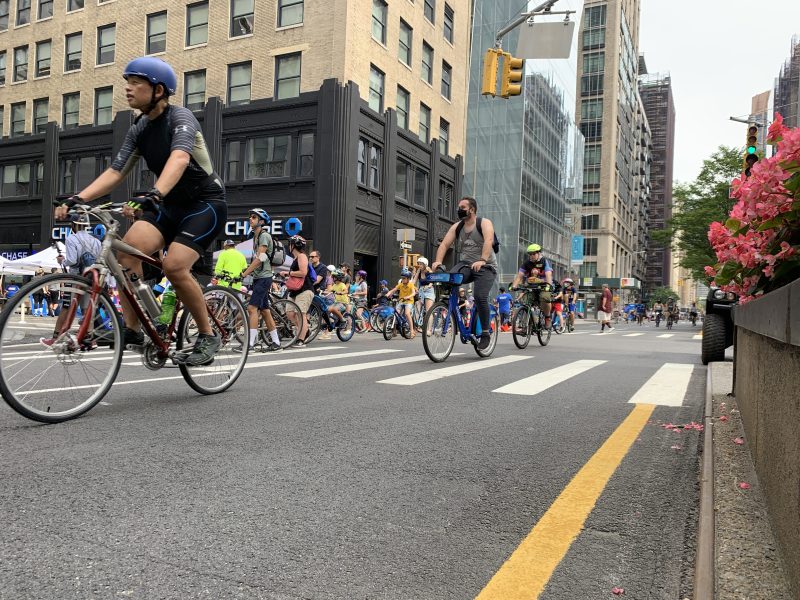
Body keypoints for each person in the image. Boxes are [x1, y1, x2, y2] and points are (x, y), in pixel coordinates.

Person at [53, 57, 226, 366]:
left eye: (136, 83)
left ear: (158, 90)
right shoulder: (140, 127)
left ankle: (207, 334)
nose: (128, 89)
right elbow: (116, 172)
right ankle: (133, 329)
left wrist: (155, 192)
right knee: (125, 254)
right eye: (127, 82)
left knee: (174, 266)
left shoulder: (181, 118)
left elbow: (180, 159)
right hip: (168, 206)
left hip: (205, 204)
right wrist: (77, 198)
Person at [432, 196, 498, 350]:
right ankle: (447, 308)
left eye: (462, 207)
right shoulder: (457, 227)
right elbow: (445, 244)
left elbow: (488, 241)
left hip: (486, 266)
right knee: (450, 278)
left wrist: (482, 259)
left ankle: (486, 333)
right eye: (458, 207)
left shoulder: (484, 223)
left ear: (472, 210)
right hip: (466, 265)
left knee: (480, 296)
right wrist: (437, 261)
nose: (458, 210)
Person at [40, 214, 103, 345]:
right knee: (87, 308)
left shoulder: (71, 238)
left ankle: (56, 337)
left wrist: (63, 260)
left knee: (66, 307)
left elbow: (72, 261)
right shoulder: (96, 240)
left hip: (75, 279)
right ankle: (89, 339)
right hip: (90, 279)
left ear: (73, 225)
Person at [240, 209, 282, 352]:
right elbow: (257, 259)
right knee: (264, 311)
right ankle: (276, 342)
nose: (250, 219)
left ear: (261, 221)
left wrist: (245, 273)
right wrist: (245, 270)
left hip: (264, 277)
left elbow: (260, 259)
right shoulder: (255, 237)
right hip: (259, 277)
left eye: (254, 217)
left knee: (252, 308)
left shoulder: (264, 236)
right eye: (250, 217)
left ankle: (250, 345)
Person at [511, 243, 554, 328]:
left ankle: (547, 317)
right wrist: (514, 286)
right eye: (530, 254)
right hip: (531, 286)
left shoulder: (544, 261)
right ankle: (526, 327)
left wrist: (548, 285)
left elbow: (548, 275)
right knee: (526, 302)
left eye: (534, 254)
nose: (532, 256)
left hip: (543, 285)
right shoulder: (526, 263)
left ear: (539, 253)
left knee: (545, 298)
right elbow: (519, 276)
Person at [285, 235, 314, 346]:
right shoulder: (295, 258)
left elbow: (303, 273)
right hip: (294, 289)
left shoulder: (302, 256)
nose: (289, 246)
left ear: (294, 245)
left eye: (290, 244)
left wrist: (289, 273)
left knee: (300, 314)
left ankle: (301, 339)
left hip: (304, 289)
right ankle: (305, 330)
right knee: (290, 313)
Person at [385, 268, 417, 339]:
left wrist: (408, 296)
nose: (402, 279)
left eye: (404, 278)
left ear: (408, 279)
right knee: (396, 313)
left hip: (409, 301)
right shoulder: (401, 284)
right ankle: (394, 331)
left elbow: (413, 293)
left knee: (407, 313)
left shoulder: (411, 284)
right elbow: (394, 289)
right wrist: (389, 293)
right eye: (402, 278)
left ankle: (412, 330)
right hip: (401, 301)